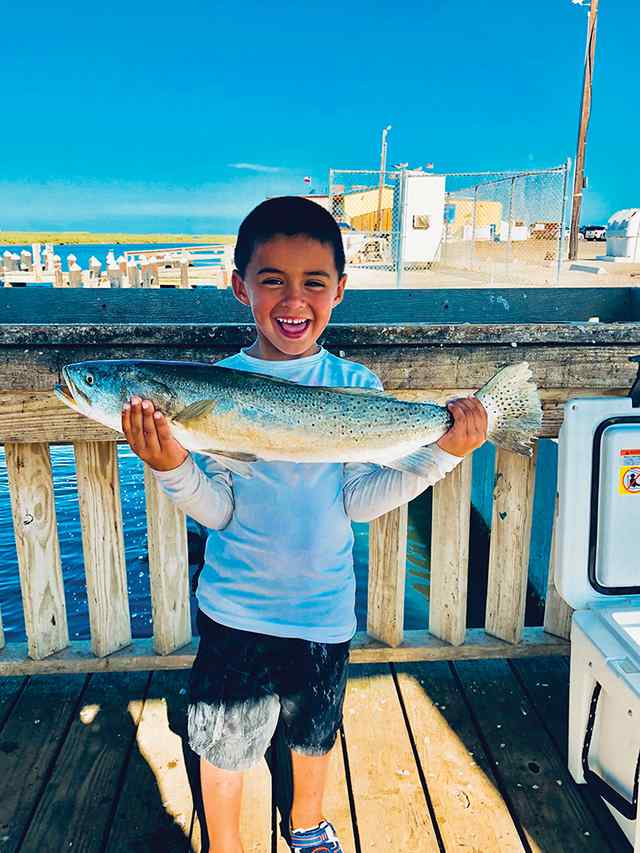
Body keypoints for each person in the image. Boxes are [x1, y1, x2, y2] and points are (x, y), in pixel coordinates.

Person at [121, 197, 487, 853]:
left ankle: (307, 823)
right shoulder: (219, 383)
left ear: (339, 291)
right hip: (235, 607)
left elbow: (360, 500)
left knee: (314, 731)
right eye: (273, 280)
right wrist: (172, 462)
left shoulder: (356, 383)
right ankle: (227, 842)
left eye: (314, 281)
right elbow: (219, 511)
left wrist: (445, 450)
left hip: (322, 607)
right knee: (222, 737)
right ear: (241, 287)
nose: (294, 299)